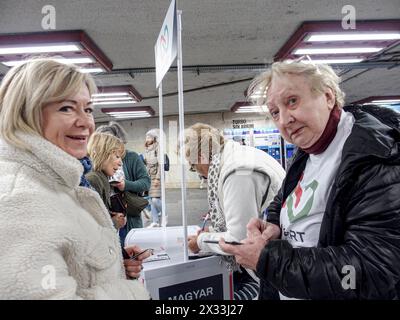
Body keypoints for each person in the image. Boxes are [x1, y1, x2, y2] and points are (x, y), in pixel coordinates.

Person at [220, 59, 400, 299]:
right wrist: (273, 224)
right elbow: (284, 197)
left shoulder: (374, 157)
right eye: (275, 112)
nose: (284, 120)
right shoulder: (307, 150)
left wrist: (269, 261)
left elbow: (370, 268)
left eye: (292, 101)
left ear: (328, 97)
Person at [0, 58, 150, 299]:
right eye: (66, 108)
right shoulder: (19, 199)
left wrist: (113, 267)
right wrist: (130, 292)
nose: (86, 123)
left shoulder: (58, 183)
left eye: (88, 109)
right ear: (25, 114)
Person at [183, 123, 286, 300]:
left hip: (280, 268)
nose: (198, 173)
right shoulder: (234, 156)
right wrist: (215, 231)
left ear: (200, 157)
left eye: (193, 166)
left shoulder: (237, 171)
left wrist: (200, 241)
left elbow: (239, 239)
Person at [95, 122, 151, 237]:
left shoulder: (131, 157)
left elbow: (146, 182)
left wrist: (126, 185)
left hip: (129, 217)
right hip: (108, 220)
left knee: (130, 248)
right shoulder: (95, 165)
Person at [86, 132, 127, 231]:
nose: (120, 163)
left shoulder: (101, 177)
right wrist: (113, 223)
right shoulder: (94, 179)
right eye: (117, 156)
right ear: (103, 154)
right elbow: (90, 226)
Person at [143, 129, 163, 228]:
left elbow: (161, 164)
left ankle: (164, 213)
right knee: (151, 201)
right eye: (146, 137)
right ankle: (155, 221)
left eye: (149, 137)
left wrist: (158, 179)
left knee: (155, 200)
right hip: (149, 176)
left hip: (156, 176)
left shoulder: (158, 148)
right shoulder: (147, 149)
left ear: (154, 138)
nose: (147, 139)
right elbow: (146, 164)